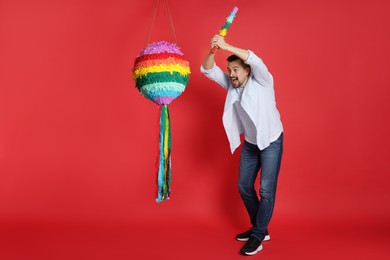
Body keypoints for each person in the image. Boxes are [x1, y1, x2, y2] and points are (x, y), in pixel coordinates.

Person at [200, 35, 284, 256]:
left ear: (247, 70)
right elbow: (208, 70)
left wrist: (226, 45)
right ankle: (261, 228)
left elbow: (256, 60)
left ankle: (257, 235)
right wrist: (213, 51)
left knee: (266, 190)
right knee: (244, 187)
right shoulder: (231, 84)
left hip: (271, 141)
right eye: (230, 70)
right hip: (250, 143)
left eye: (236, 70)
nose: (231, 74)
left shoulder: (264, 82)